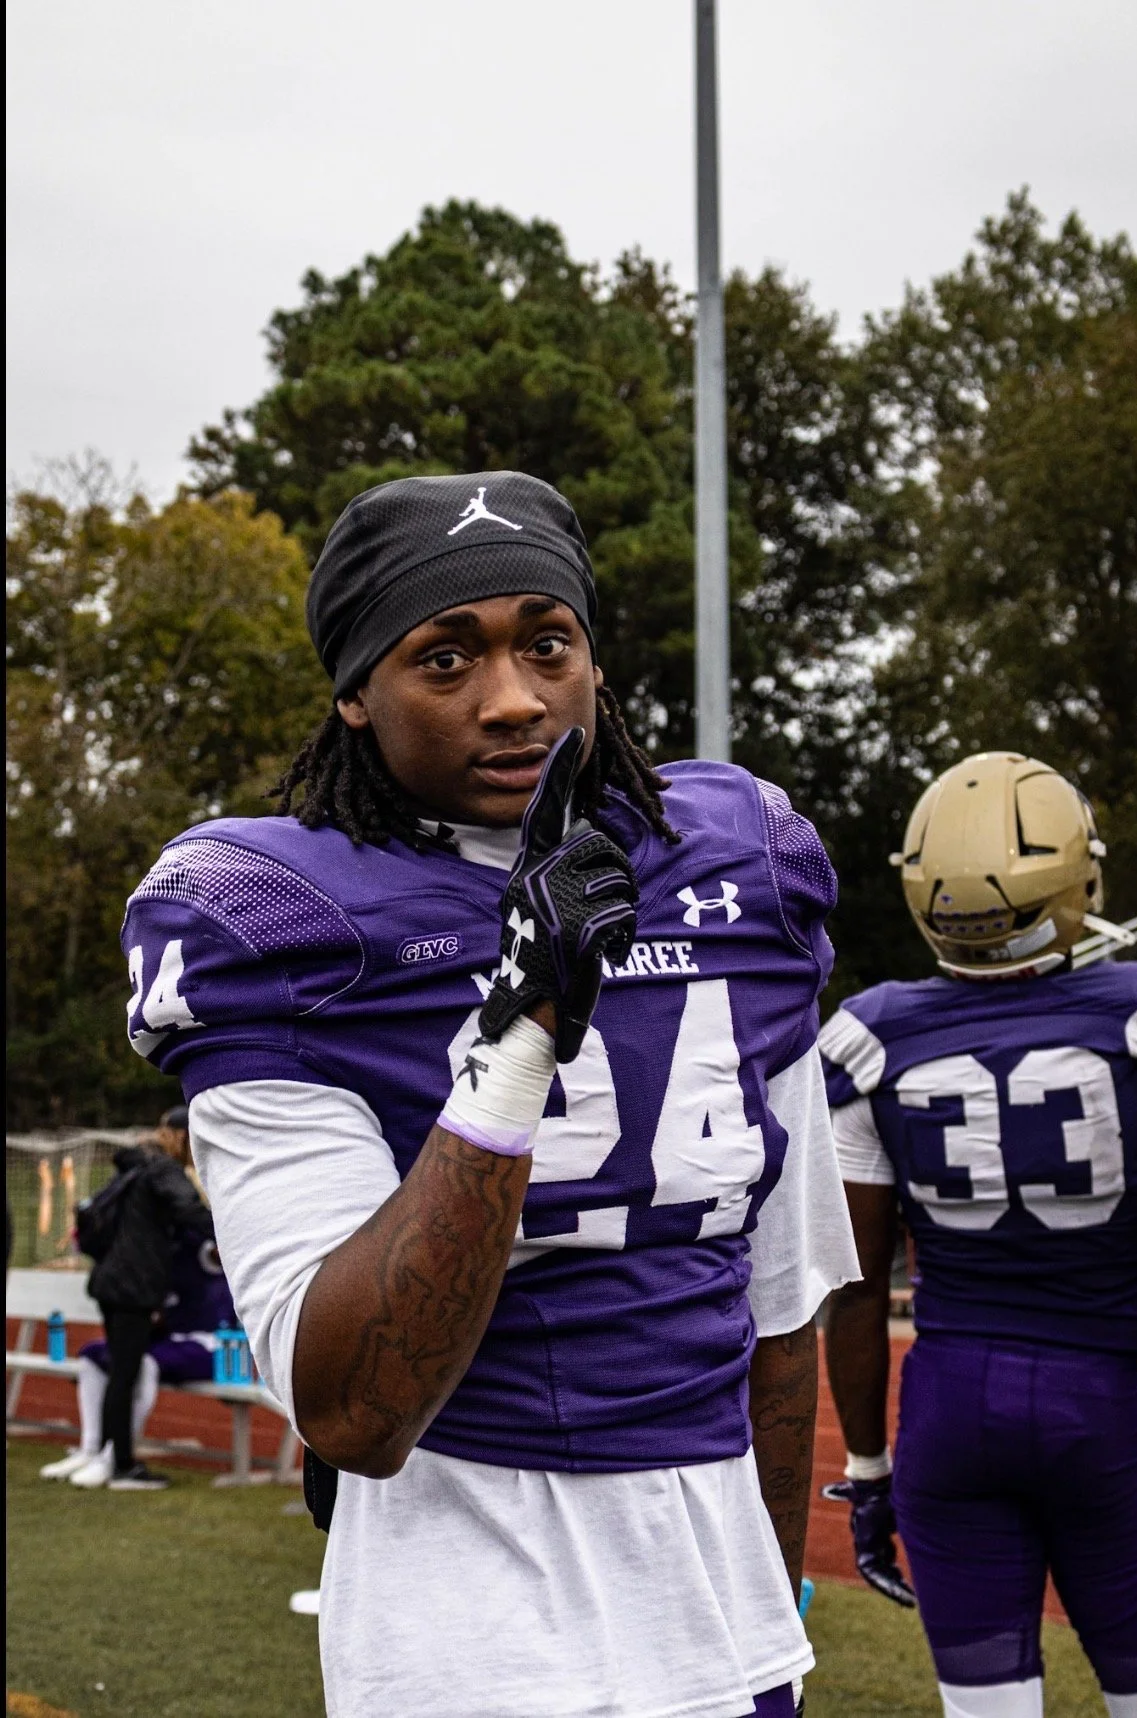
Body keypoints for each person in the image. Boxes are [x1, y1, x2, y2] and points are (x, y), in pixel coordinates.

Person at [120, 470, 860, 1718]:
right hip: (463, 1642)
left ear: (593, 658)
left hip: (724, 1631)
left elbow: (779, 1317)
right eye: (446, 657)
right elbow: (357, 1407)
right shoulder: (277, 913)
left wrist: (766, 1611)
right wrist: (521, 1039)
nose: (513, 698)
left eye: (547, 643)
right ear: (357, 692)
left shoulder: (743, 870)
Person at [819, 751, 1137, 1718]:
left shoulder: (871, 1037)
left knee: (987, 1709)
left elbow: (851, 1285)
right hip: (1100, 1406)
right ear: (1073, 876)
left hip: (948, 1412)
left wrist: (867, 1469)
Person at [67, 1105, 215, 1490]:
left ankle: (108, 1457)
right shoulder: (163, 1169)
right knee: (125, 1374)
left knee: (121, 1372)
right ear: (184, 1137)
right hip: (133, 1285)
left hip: (110, 1281)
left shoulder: (134, 1166)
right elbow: (190, 1212)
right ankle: (122, 1466)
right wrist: (229, 1228)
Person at [40, 1198, 235, 1486]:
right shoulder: (154, 1244)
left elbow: (218, 1251)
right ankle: (91, 1448)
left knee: (142, 1364)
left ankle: (114, 1457)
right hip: (168, 1339)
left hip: (212, 1343)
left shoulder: (198, 1237)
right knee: (92, 1355)